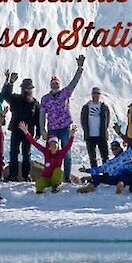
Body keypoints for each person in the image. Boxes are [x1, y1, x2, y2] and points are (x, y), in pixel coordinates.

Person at [39, 54, 85, 182]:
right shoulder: (45, 99)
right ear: (50, 85)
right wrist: (42, 129)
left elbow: (74, 82)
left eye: (56, 84)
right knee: (50, 153)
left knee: (66, 153)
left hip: (64, 127)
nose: (55, 86)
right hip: (52, 129)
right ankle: (51, 176)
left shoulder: (65, 93)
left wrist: (80, 68)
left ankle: (66, 177)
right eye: (53, 84)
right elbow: (42, 114)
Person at [18, 121, 76, 194]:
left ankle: (55, 186)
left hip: (55, 178)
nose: (53, 146)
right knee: (39, 183)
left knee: (58, 171)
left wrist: (72, 136)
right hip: (46, 178)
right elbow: (34, 143)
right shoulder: (46, 152)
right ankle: (40, 192)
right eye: (51, 144)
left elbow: (68, 146)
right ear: (49, 146)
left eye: (55, 144)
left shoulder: (60, 153)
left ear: (58, 146)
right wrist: (26, 132)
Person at [4, 74, 41, 181]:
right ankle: (13, 175)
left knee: (26, 153)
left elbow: (38, 118)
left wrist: (38, 132)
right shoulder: (16, 99)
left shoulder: (35, 103)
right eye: (25, 88)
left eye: (29, 88)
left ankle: (26, 175)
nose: (27, 90)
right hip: (16, 129)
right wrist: (10, 83)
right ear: (22, 88)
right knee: (14, 152)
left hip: (28, 132)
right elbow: (6, 95)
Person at [80, 86, 110, 168]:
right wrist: (86, 130)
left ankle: (106, 175)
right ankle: (95, 177)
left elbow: (107, 120)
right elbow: (83, 120)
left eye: (97, 93)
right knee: (92, 158)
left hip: (101, 135)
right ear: (91, 94)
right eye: (94, 93)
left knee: (105, 157)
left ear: (100, 95)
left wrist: (104, 130)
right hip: (90, 136)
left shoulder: (104, 107)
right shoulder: (86, 107)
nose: (95, 95)